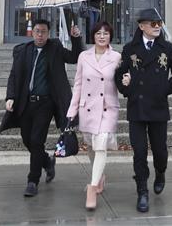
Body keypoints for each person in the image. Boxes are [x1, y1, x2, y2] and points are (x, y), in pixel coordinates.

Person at [0, 18, 83, 198]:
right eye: (37, 31)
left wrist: (76, 38)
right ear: (33, 32)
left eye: (43, 32)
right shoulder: (23, 51)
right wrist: (10, 96)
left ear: (48, 33)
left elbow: (75, 57)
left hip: (45, 104)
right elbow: (14, 75)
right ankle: (46, 161)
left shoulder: (55, 48)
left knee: (37, 140)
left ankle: (32, 181)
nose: (40, 35)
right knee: (27, 140)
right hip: (26, 103)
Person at [114, 8, 172, 213]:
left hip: (158, 107)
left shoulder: (167, 48)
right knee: (139, 152)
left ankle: (160, 173)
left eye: (159, 23)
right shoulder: (130, 49)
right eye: (153, 23)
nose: (157, 27)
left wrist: (166, 88)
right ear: (142, 26)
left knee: (160, 150)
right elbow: (118, 74)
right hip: (137, 107)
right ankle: (142, 191)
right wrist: (127, 89)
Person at [66, 21, 121, 210]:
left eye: (106, 33)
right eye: (98, 33)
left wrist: (127, 80)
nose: (102, 36)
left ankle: (92, 186)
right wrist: (72, 111)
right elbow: (78, 85)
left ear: (110, 36)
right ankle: (100, 177)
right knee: (91, 145)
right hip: (87, 107)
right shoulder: (84, 56)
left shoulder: (116, 57)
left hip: (107, 108)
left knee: (101, 143)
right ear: (93, 36)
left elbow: (121, 79)